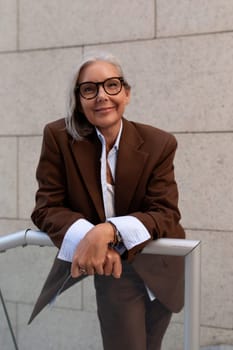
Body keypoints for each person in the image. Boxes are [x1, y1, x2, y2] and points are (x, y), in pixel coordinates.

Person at [31, 52, 185, 350]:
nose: (102, 96)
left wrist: (108, 231)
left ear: (126, 93)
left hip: (161, 266)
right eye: (89, 89)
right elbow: (47, 207)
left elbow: (165, 213)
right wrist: (93, 239)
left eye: (111, 85)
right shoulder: (59, 137)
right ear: (79, 98)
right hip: (113, 269)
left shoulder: (159, 143)